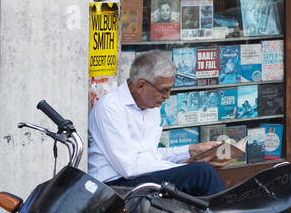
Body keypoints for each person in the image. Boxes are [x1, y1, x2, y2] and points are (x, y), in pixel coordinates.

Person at [87, 50, 225, 196]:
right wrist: (182, 165)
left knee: (200, 175)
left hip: (140, 176)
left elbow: (150, 156)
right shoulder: (110, 108)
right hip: (114, 186)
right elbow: (130, 167)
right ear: (140, 86)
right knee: (202, 173)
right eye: (164, 91)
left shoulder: (151, 107)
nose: (167, 97)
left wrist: (190, 151)